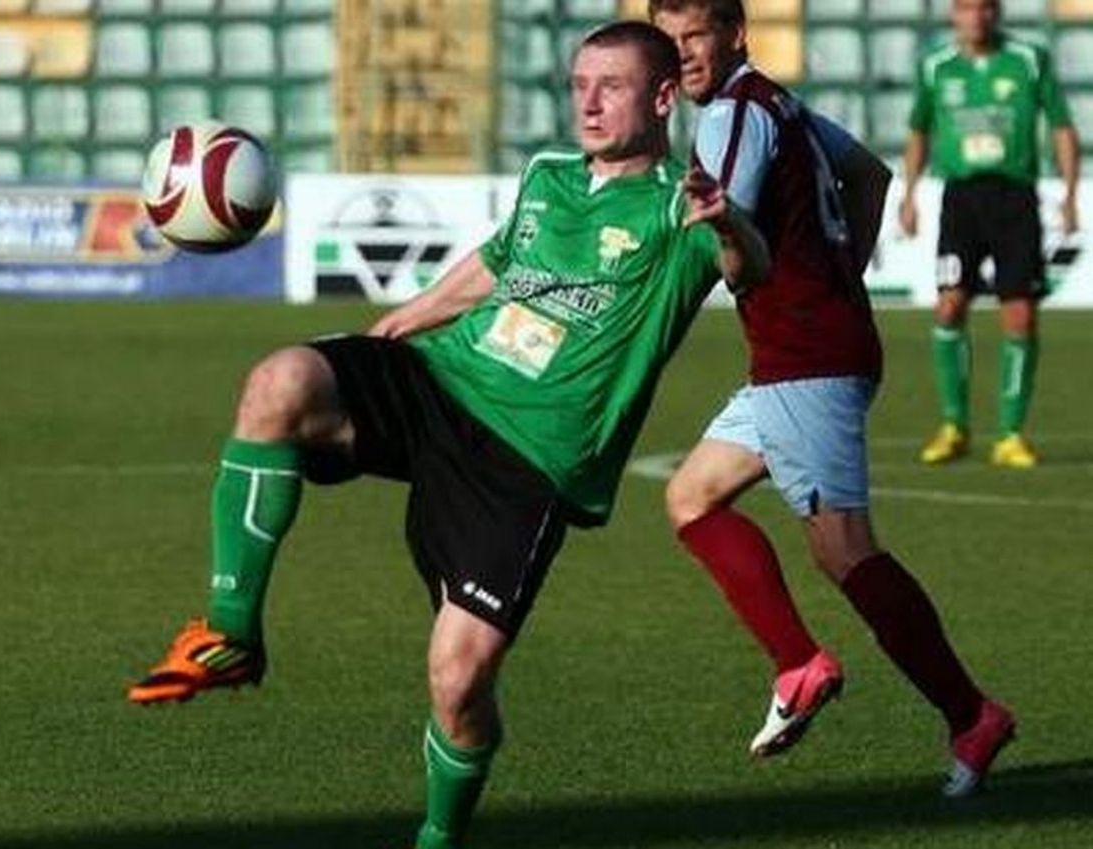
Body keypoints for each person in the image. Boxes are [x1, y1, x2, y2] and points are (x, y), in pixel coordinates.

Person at [127, 21, 770, 849]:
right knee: (279, 383)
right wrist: (410, 317)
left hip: (526, 460)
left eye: (610, 86)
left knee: (458, 682)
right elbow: (500, 261)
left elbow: (748, 268)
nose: (589, 102)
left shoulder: (678, 206)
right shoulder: (547, 177)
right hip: (442, 378)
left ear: (661, 96)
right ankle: (230, 629)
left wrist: (727, 223)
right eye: (579, 85)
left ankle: (438, 835)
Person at [650, 0, 1015, 797]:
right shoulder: (781, 102)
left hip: (807, 359)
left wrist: (741, 253)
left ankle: (970, 715)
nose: (682, 54)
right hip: (808, 348)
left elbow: (738, 255)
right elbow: (870, 174)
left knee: (844, 549)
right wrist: (842, 269)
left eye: (696, 36)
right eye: (667, 40)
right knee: (690, 496)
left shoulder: (732, 118)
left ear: (735, 33)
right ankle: (799, 660)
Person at [901, 0, 1080, 468]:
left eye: (983, 8)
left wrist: (1070, 192)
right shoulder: (936, 66)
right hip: (961, 200)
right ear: (954, 15)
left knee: (1019, 315)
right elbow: (918, 129)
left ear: (996, 12)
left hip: (1015, 199)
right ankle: (954, 425)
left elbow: (1061, 126)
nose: (974, 17)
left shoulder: (1028, 59)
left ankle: (1010, 434)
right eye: (965, 8)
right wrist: (909, 193)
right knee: (949, 305)